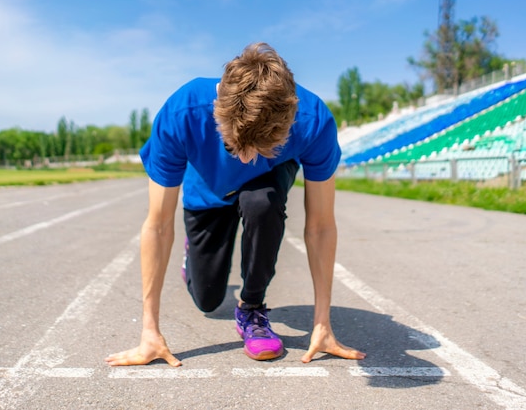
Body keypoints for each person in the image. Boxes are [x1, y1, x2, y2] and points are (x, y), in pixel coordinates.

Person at [105, 42, 366, 367]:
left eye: (260, 148)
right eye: (233, 145)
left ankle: (251, 308)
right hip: (206, 191)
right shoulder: (180, 113)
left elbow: (321, 226)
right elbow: (157, 225)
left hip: (265, 184)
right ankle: (195, 259)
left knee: (263, 202)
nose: (244, 159)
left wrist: (322, 324)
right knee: (208, 300)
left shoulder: (313, 121)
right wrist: (149, 332)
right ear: (218, 111)